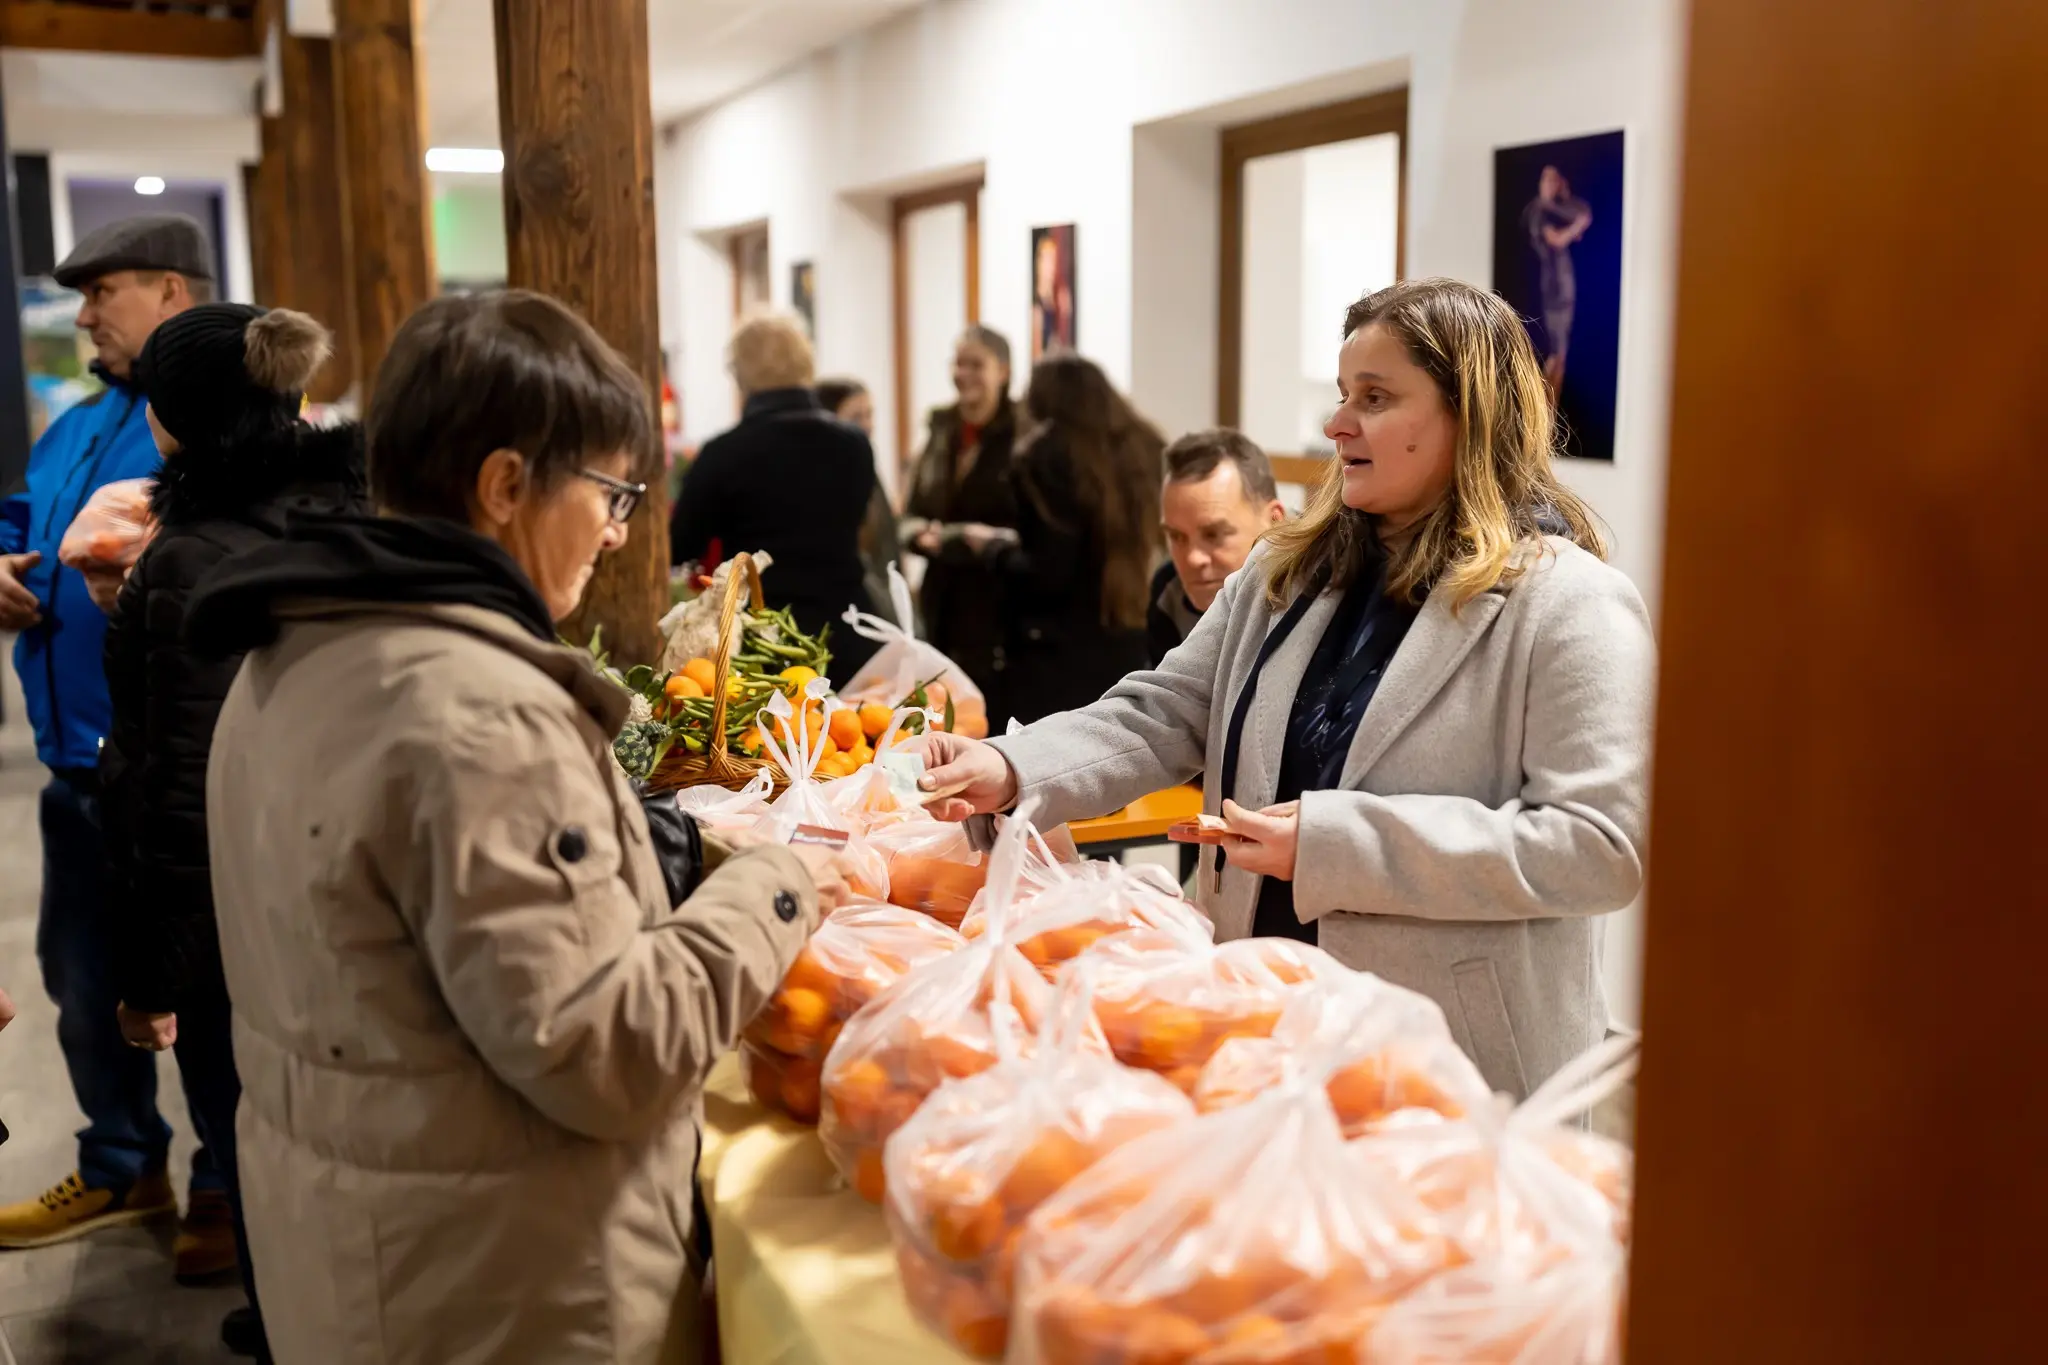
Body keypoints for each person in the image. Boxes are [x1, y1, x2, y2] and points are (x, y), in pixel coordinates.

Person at [181, 289, 851, 1365]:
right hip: (513, 1297)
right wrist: (774, 884)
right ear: (503, 485)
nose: (622, 527)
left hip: (363, 1261)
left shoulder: (286, 655)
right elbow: (608, 1052)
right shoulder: (483, 715)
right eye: (612, 491)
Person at [909, 278, 1655, 1100]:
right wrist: (1012, 766)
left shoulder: (1570, 604)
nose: (1338, 423)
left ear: (1466, 414)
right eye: (1343, 394)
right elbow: (1163, 709)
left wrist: (1338, 843)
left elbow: (1599, 848)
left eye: (1375, 397)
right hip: (1260, 1018)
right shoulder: (1288, 569)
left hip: (1447, 1059)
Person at [99, 303, 361, 1360]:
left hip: (235, 931)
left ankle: (290, 1328)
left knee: (252, 1145)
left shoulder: (187, 557)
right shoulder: (367, 510)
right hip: (357, 900)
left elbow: (176, 788)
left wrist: (151, 975)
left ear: (167, 425)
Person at [0, 214, 236, 1274]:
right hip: (72, 772)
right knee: (82, 981)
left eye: (106, 293)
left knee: (201, 993)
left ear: (173, 296)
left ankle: (227, 1188)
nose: (84, 315)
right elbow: (20, 520)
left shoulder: (223, 427)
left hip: (182, 776)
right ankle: (119, 1163)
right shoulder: (73, 425)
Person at [670, 316, 882, 679]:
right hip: (848, 630)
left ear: (741, 375)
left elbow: (682, 544)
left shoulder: (725, 453)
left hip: (767, 643)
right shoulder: (853, 444)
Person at [966, 354, 1164, 727]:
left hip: (1056, 650)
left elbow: (1047, 573)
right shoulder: (1144, 447)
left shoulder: (1047, 456)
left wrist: (993, 550)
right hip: (1127, 634)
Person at [902, 325, 1019, 713]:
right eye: (958, 363)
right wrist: (919, 533)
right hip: (942, 597)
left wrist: (952, 536)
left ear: (1002, 371)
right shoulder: (940, 427)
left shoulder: (1022, 433)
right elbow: (911, 510)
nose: (963, 373)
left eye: (976, 364)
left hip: (997, 601)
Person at [1149, 428, 1287, 666]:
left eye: (1213, 534)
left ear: (1274, 522)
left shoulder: (1322, 586)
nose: (1192, 559)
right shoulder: (1169, 593)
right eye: (1176, 536)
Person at [816, 376, 903, 630]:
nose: (867, 425)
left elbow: (887, 550)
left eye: (869, 415)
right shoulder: (827, 480)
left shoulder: (866, 469)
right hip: (855, 615)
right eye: (856, 417)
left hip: (883, 607)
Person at [1523, 165, 1593, 400]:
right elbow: (1557, 240)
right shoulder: (1538, 212)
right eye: (1549, 180)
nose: (1553, 185)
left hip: (1562, 286)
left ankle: (1549, 411)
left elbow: (1583, 213)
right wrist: (1576, 226)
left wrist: (1566, 197)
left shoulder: (1554, 210)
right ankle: (1543, 409)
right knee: (1554, 354)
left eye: (1557, 181)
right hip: (1551, 288)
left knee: (1560, 355)